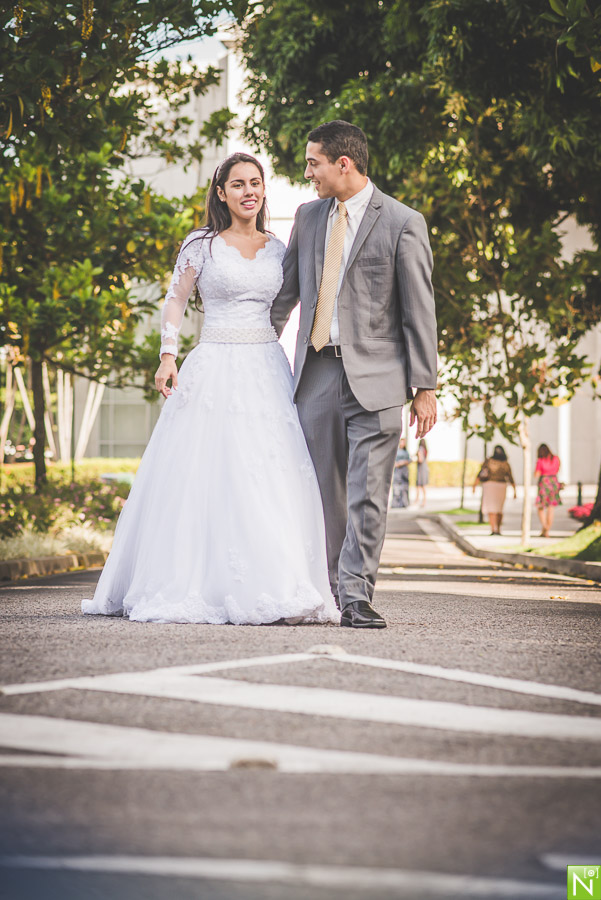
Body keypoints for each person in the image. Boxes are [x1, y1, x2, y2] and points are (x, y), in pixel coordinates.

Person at [82, 152, 339, 626]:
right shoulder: (202, 244)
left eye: (255, 183)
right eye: (237, 184)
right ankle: (198, 581)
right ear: (221, 194)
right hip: (213, 362)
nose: (249, 192)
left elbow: (295, 303)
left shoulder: (278, 247)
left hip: (266, 366)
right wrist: (167, 354)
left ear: (264, 190)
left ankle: (277, 582)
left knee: (269, 473)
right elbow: (175, 299)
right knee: (205, 471)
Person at [271, 120, 437, 629]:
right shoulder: (308, 216)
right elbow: (285, 296)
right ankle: (331, 590)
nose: (308, 173)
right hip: (317, 375)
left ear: (343, 163)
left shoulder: (404, 222)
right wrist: (241, 347)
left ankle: (357, 596)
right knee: (324, 492)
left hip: (381, 378)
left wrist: (425, 385)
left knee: (369, 492)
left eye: (313, 163)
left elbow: (419, 308)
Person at [473, 445, 516, 535]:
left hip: (489, 486)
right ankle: (498, 529)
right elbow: (510, 477)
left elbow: (480, 473)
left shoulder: (488, 461)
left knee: (491, 509)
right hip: (501, 486)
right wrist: (514, 490)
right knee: (499, 509)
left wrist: (474, 485)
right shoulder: (505, 464)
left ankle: (493, 529)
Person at [535, 443, 562, 537]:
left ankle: (545, 527)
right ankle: (546, 531)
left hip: (544, 482)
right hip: (554, 481)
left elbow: (537, 474)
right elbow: (558, 469)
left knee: (541, 507)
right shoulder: (555, 459)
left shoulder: (540, 460)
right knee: (551, 507)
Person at [391, 437, 411, 508]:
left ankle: (404, 503)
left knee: (404, 487)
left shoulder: (406, 452)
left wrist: (403, 462)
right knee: (396, 486)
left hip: (404, 470)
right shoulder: (396, 451)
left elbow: (409, 460)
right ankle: (395, 503)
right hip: (397, 470)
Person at [415, 439, 429, 507]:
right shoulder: (425, 450)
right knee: (424, 486)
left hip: (421, 469)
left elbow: (420, 460)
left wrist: (415, 459)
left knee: (418, 485)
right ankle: (424, 501)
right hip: (425, 468)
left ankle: (417, 501)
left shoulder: (420, 449)